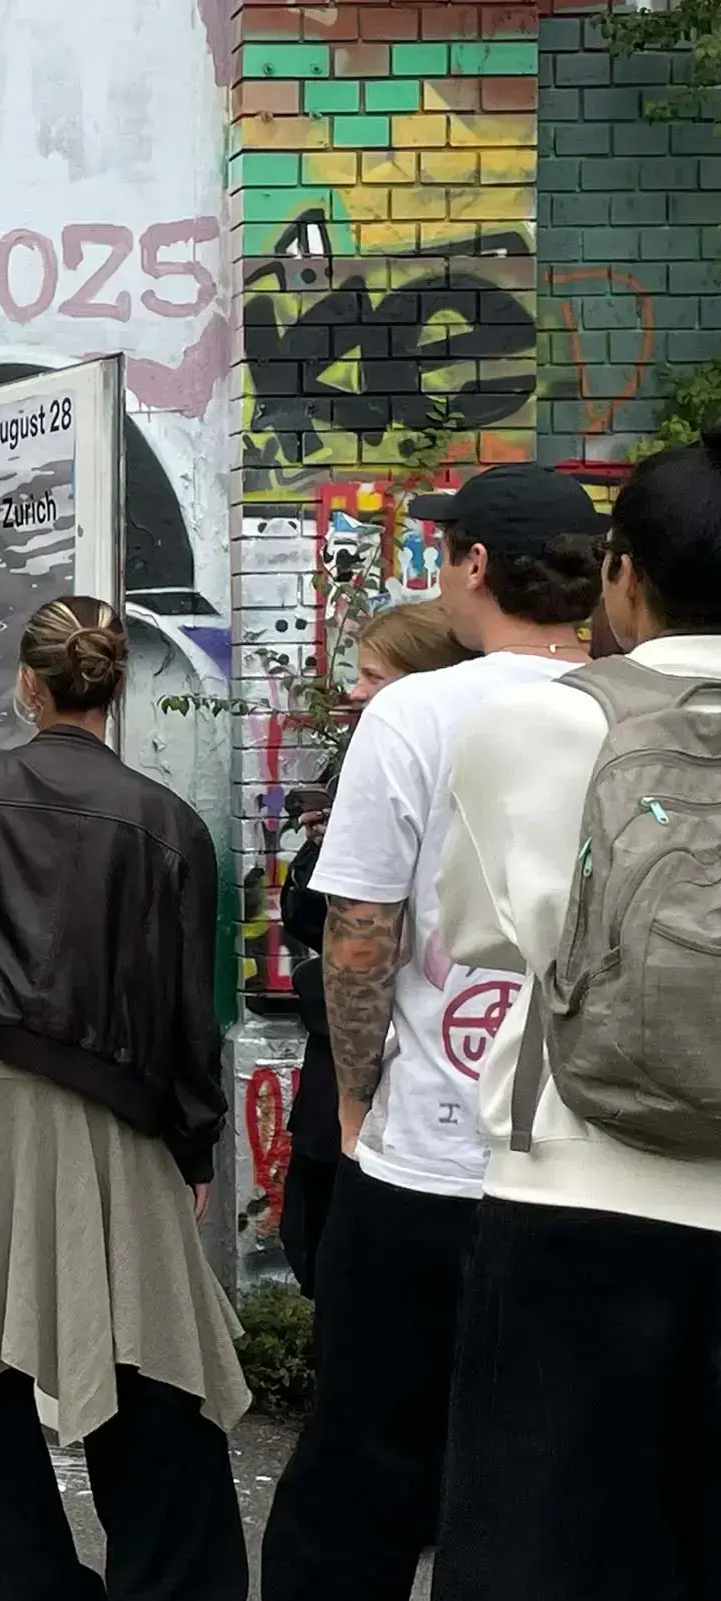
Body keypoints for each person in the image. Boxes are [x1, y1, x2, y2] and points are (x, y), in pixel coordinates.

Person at [260, 464, 607, 1601]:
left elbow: (356, 932)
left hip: (433, 1152)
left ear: (470, 566)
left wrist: (355, 1097)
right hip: (594, 1158)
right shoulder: (634, 698)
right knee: (552, 1471)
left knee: (363, 1460)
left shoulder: (417, 709)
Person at [0, 595, 247, 1601]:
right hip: (109, 1109)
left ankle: (32, 1578)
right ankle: (164, 1574)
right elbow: (186, 1014)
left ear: (28, 685)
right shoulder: (168, 823)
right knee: (142, 1340)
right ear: (115, 689)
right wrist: (193, 1146)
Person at [432, 428, 721, 1601]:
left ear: (621, 574)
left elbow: (477, 929)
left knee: (544, 1556)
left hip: (576, 1190)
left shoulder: (541, 720)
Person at [274, 601, 475, 1294]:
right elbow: (305, 917)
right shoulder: (366, 759)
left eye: (372, 674)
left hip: (400, 1076)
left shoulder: (430, 757)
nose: (354, 691)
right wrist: (323, 851)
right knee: (311, 1239)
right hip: (349, 1063)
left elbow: (361, 941)